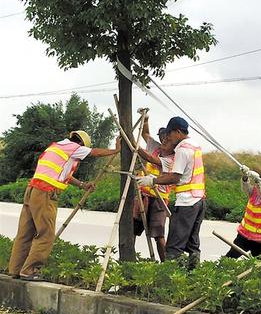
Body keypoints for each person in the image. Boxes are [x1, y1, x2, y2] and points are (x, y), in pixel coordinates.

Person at [8, 130, 121, 281]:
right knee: (46, 234)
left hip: (32, 190)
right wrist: (116, 149)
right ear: (81, 144)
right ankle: (29, 271)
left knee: (25, 233)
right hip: (46, 192)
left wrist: (82, 185)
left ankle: (15, 270)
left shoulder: (57, 147)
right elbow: (95, 152)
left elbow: (65, 175)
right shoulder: (74, 148)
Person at [138, 117, 205, 269]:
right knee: (192, 244)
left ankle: (172, 279)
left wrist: (153, 181)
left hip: (187, 202)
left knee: (174, 246)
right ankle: (194, 276)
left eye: (170, 134)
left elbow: (175, 176)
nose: (167, 137)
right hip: (199, 200)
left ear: (178, 132)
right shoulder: (195, 145)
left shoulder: (181, 149)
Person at [134, 135, 175, 262]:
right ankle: (129, 260)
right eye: (162, 137)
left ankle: (165, 264)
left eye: (167, 139)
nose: (164, 140)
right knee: (133, 229)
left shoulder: (172, 159)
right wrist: (144, 119)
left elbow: (149, 158)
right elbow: (145, 132)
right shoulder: (156, 148)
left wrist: (134, 144)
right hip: (143, 196)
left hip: (159, 200)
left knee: (159, 234)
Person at [226, 167, 261, 258]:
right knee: (230, 257)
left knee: (259, 266)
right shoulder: (255, 191)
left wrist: (258, 181)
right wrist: (245, 177)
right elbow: (246, 188)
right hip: (244, 235)